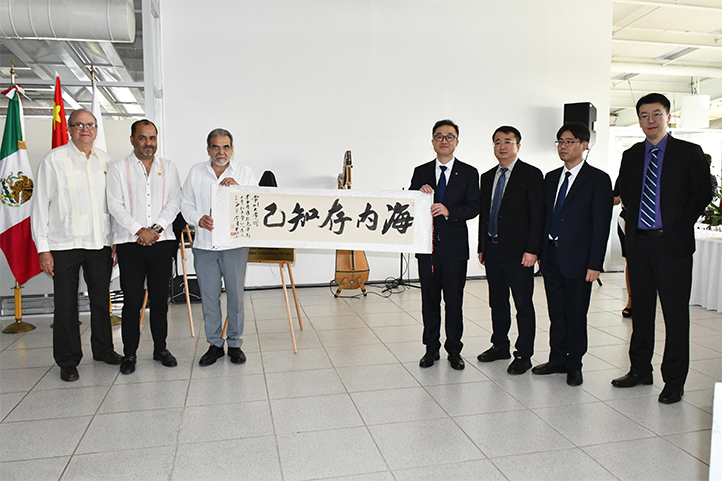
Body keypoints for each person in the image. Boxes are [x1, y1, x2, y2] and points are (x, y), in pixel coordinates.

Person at [612, 93, 712, 404]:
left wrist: (679, 222)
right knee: (640, 311)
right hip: (640, 245)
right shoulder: (631, 155)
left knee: (674, 315)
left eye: (656, 114)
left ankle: (674, 380)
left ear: (668, 117)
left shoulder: (689, 153)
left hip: (673, 247)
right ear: (639, 120)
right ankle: (640, 369)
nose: (650, 121)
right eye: (644, 115)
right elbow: (623, 192)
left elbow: (704, 192)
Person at [31, 109, 122, 382]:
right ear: (69, 129)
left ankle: (104, 349)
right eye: (79, 125)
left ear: (96, 130)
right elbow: (40, 207)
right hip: (64, 244)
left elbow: (113, 206)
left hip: (100, 243)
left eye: (90, 125)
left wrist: (115, 240)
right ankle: (68, 360)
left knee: (100, 301)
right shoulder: (54, 161)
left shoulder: (106, 162)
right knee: (66, 305)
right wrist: (42, 248)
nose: (85, 129)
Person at [532, 122, 613, 386]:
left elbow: (601, 225)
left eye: (569, 141)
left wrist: (595, 263)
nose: (564, 147)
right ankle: (556, 358)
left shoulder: (598, 179)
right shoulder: (551, 177)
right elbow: (544, 217)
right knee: (556, 312)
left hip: (579, 260)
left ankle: (574, 363)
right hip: (551, 256)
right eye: (560, 142)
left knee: (576, 312)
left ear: (584, 145)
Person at [107, 119, 181, 375]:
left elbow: (174, 201)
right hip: (130, 243)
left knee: (160, 299)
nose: (148, 143)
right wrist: (140, 230)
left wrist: (156, 230)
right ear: (132, 139)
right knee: (132, 301)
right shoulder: (118, 168)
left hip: (162, 242)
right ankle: (129, 354)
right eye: (142, 138)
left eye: (152, 138)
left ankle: (160, 349)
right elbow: (114, 204)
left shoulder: (168, 167)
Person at [181, 128, 256, 366]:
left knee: (235, 295)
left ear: (232, 149)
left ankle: (234, 343)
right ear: (208, 149)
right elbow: (185, 202)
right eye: (215, 147)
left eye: (225, 147)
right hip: (204, 244)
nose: (220, 152)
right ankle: (215, 344)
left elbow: (256, 203)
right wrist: (197, 218)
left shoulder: (244, 172)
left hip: (234, 245)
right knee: (210, 297)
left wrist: (238, 190)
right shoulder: (196, 172)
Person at [410, 119, 480, 371]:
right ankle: (431, 349)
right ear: (432, 142)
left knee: (454, 302)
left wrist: (450, 210)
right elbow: (410, 205)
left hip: (454, 249)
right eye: (439, 136)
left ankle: (454, 350)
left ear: (457, 142)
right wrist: (420, 194)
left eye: (449, 137)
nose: (444, 140)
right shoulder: (421, 172)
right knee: (429, 301)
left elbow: (474, 207)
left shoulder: (469, 173)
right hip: (426, 250)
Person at [476, 126, 544, 375]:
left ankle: (524, 354)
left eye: (508, 141)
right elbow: (486, 214)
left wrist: (532, 250)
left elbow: (538, 216)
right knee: (497, 302)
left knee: (523, 304)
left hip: (520, 253)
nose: (502, 146)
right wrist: (482, 246)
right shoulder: (487, 176)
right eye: (497, 142)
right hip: (492, 250)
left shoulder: (531, 174)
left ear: (518, 146)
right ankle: (500, 345)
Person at [612, 183, 632, 318]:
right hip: (627, 218)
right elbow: (615, 199)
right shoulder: (626, 170)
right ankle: (631, 299)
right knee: (630, 261)